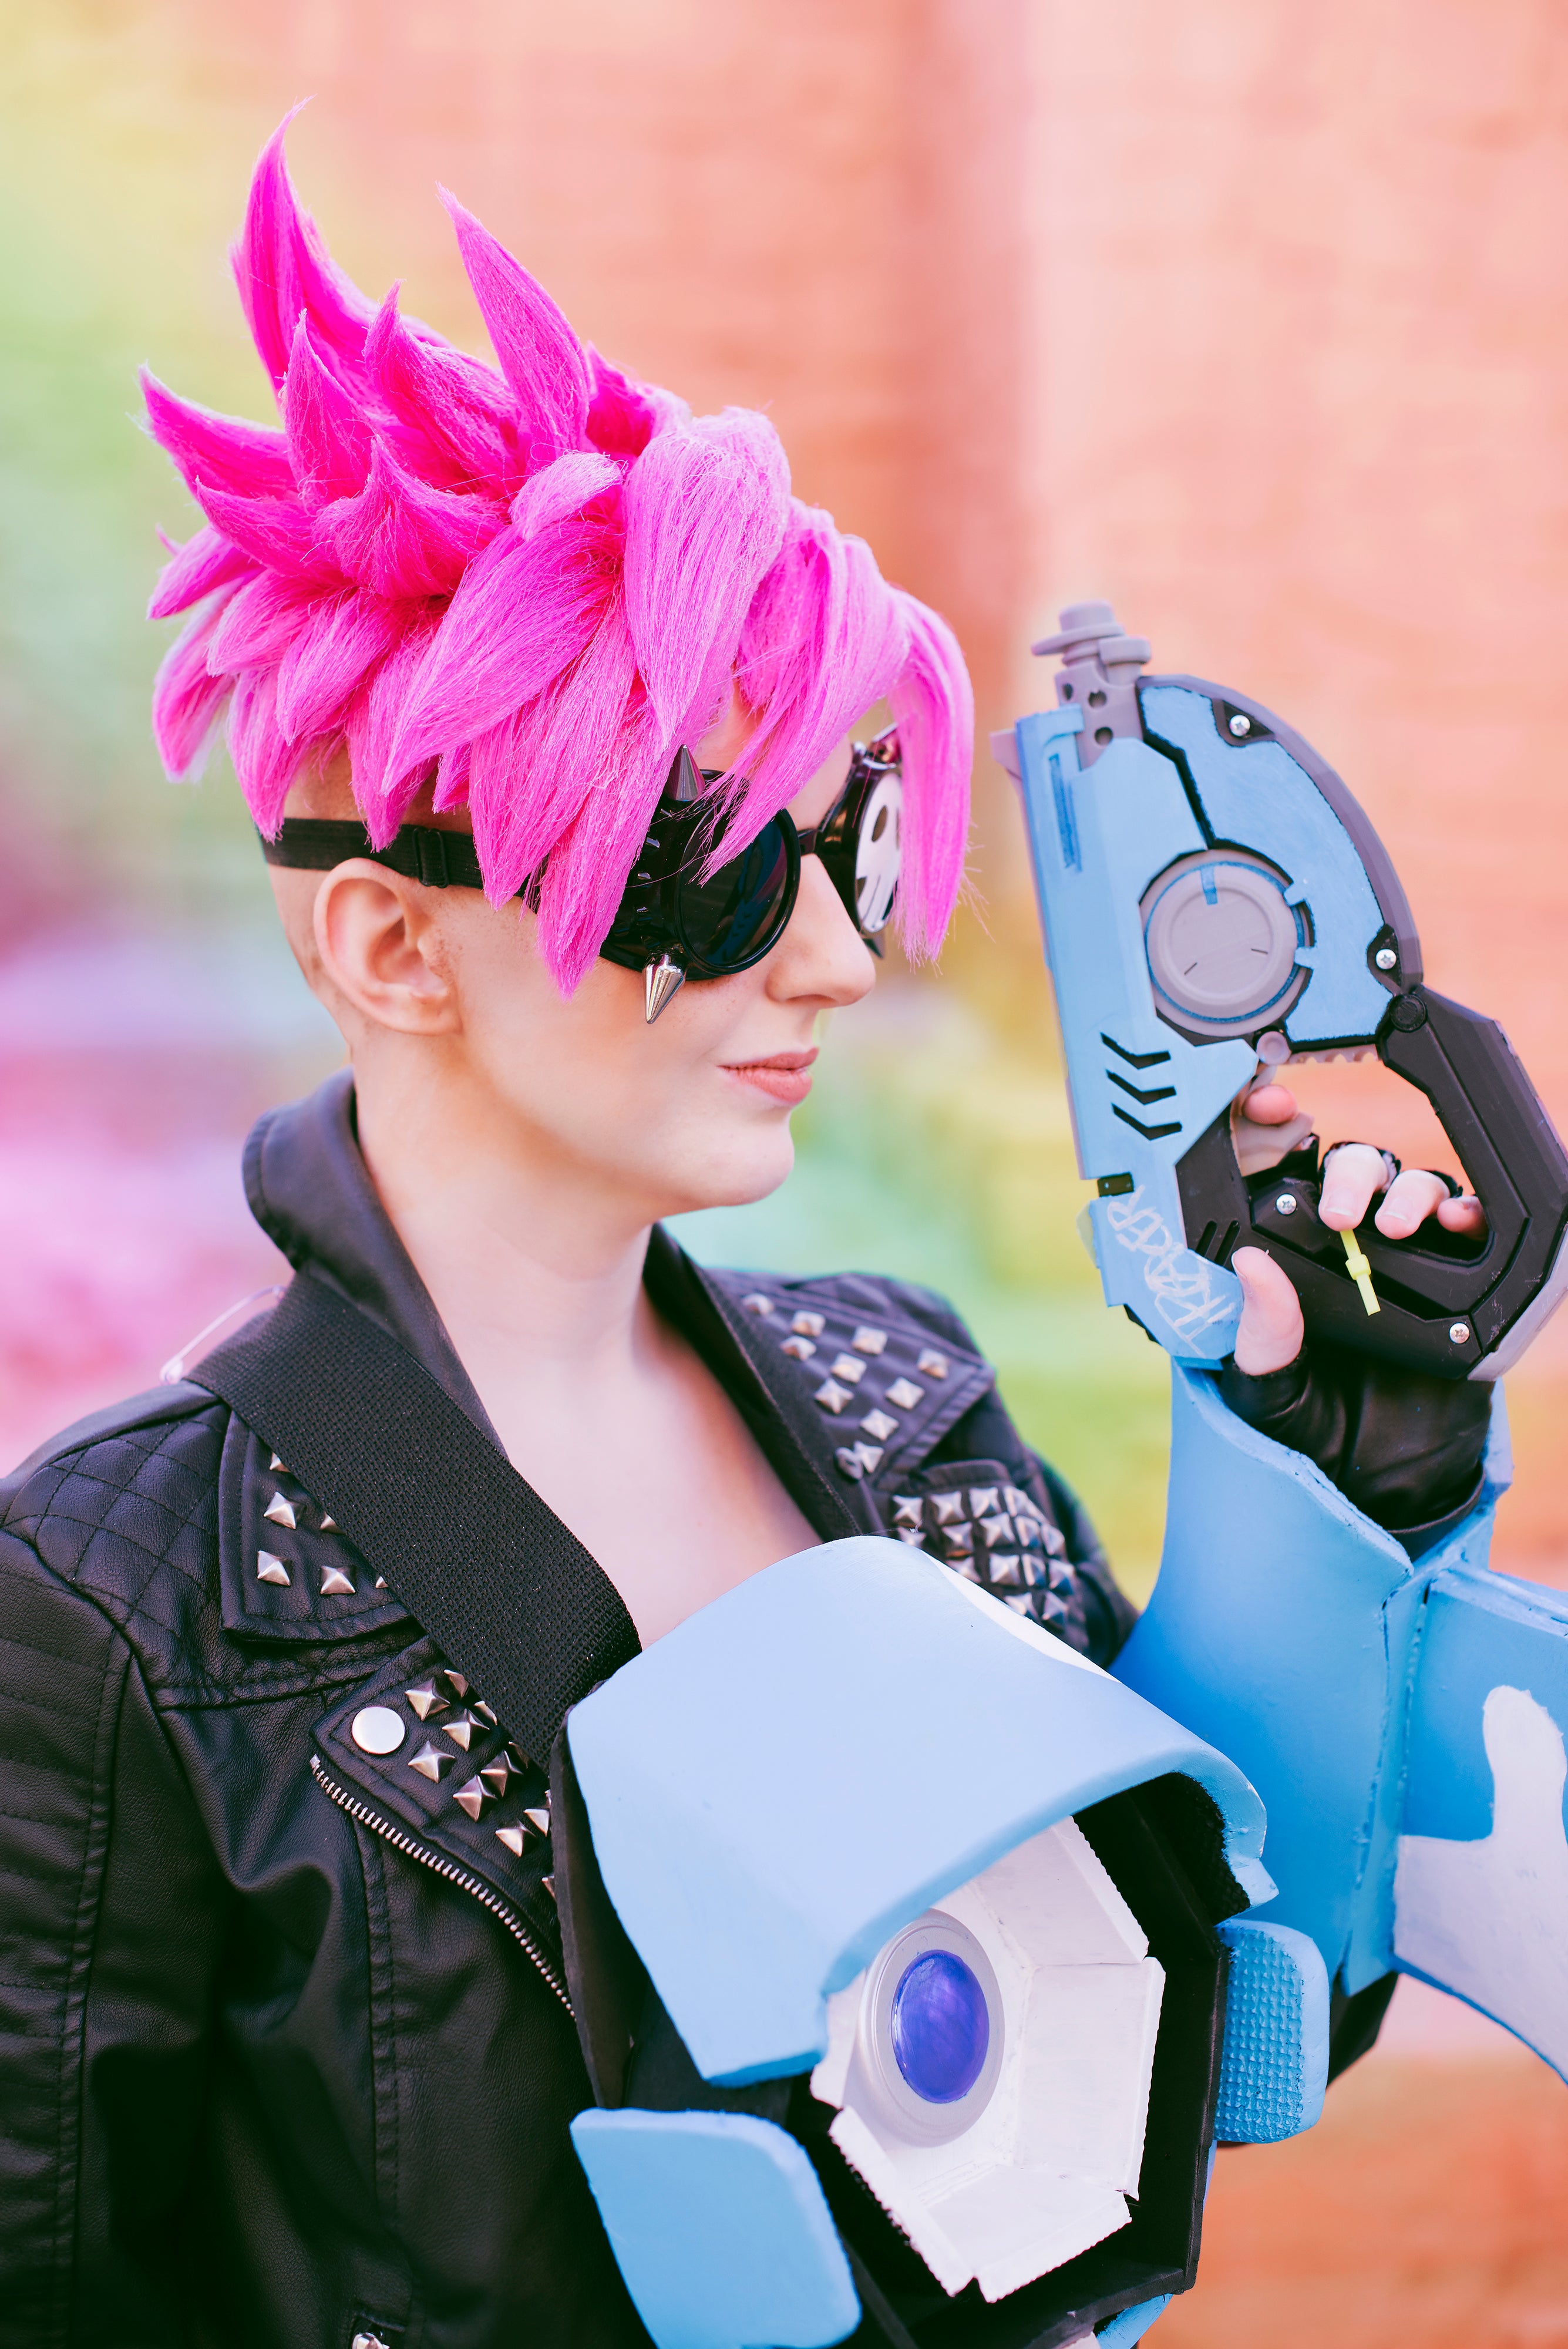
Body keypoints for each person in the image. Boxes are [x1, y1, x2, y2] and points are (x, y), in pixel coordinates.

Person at [0, 120, 1489, 2349]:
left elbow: (1203, 2037)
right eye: (704, 864)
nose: (825, 961)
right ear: (395, 949)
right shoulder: (120, 1610)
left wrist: (1330, 1454)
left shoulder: (908, 1410)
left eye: (851, 848)